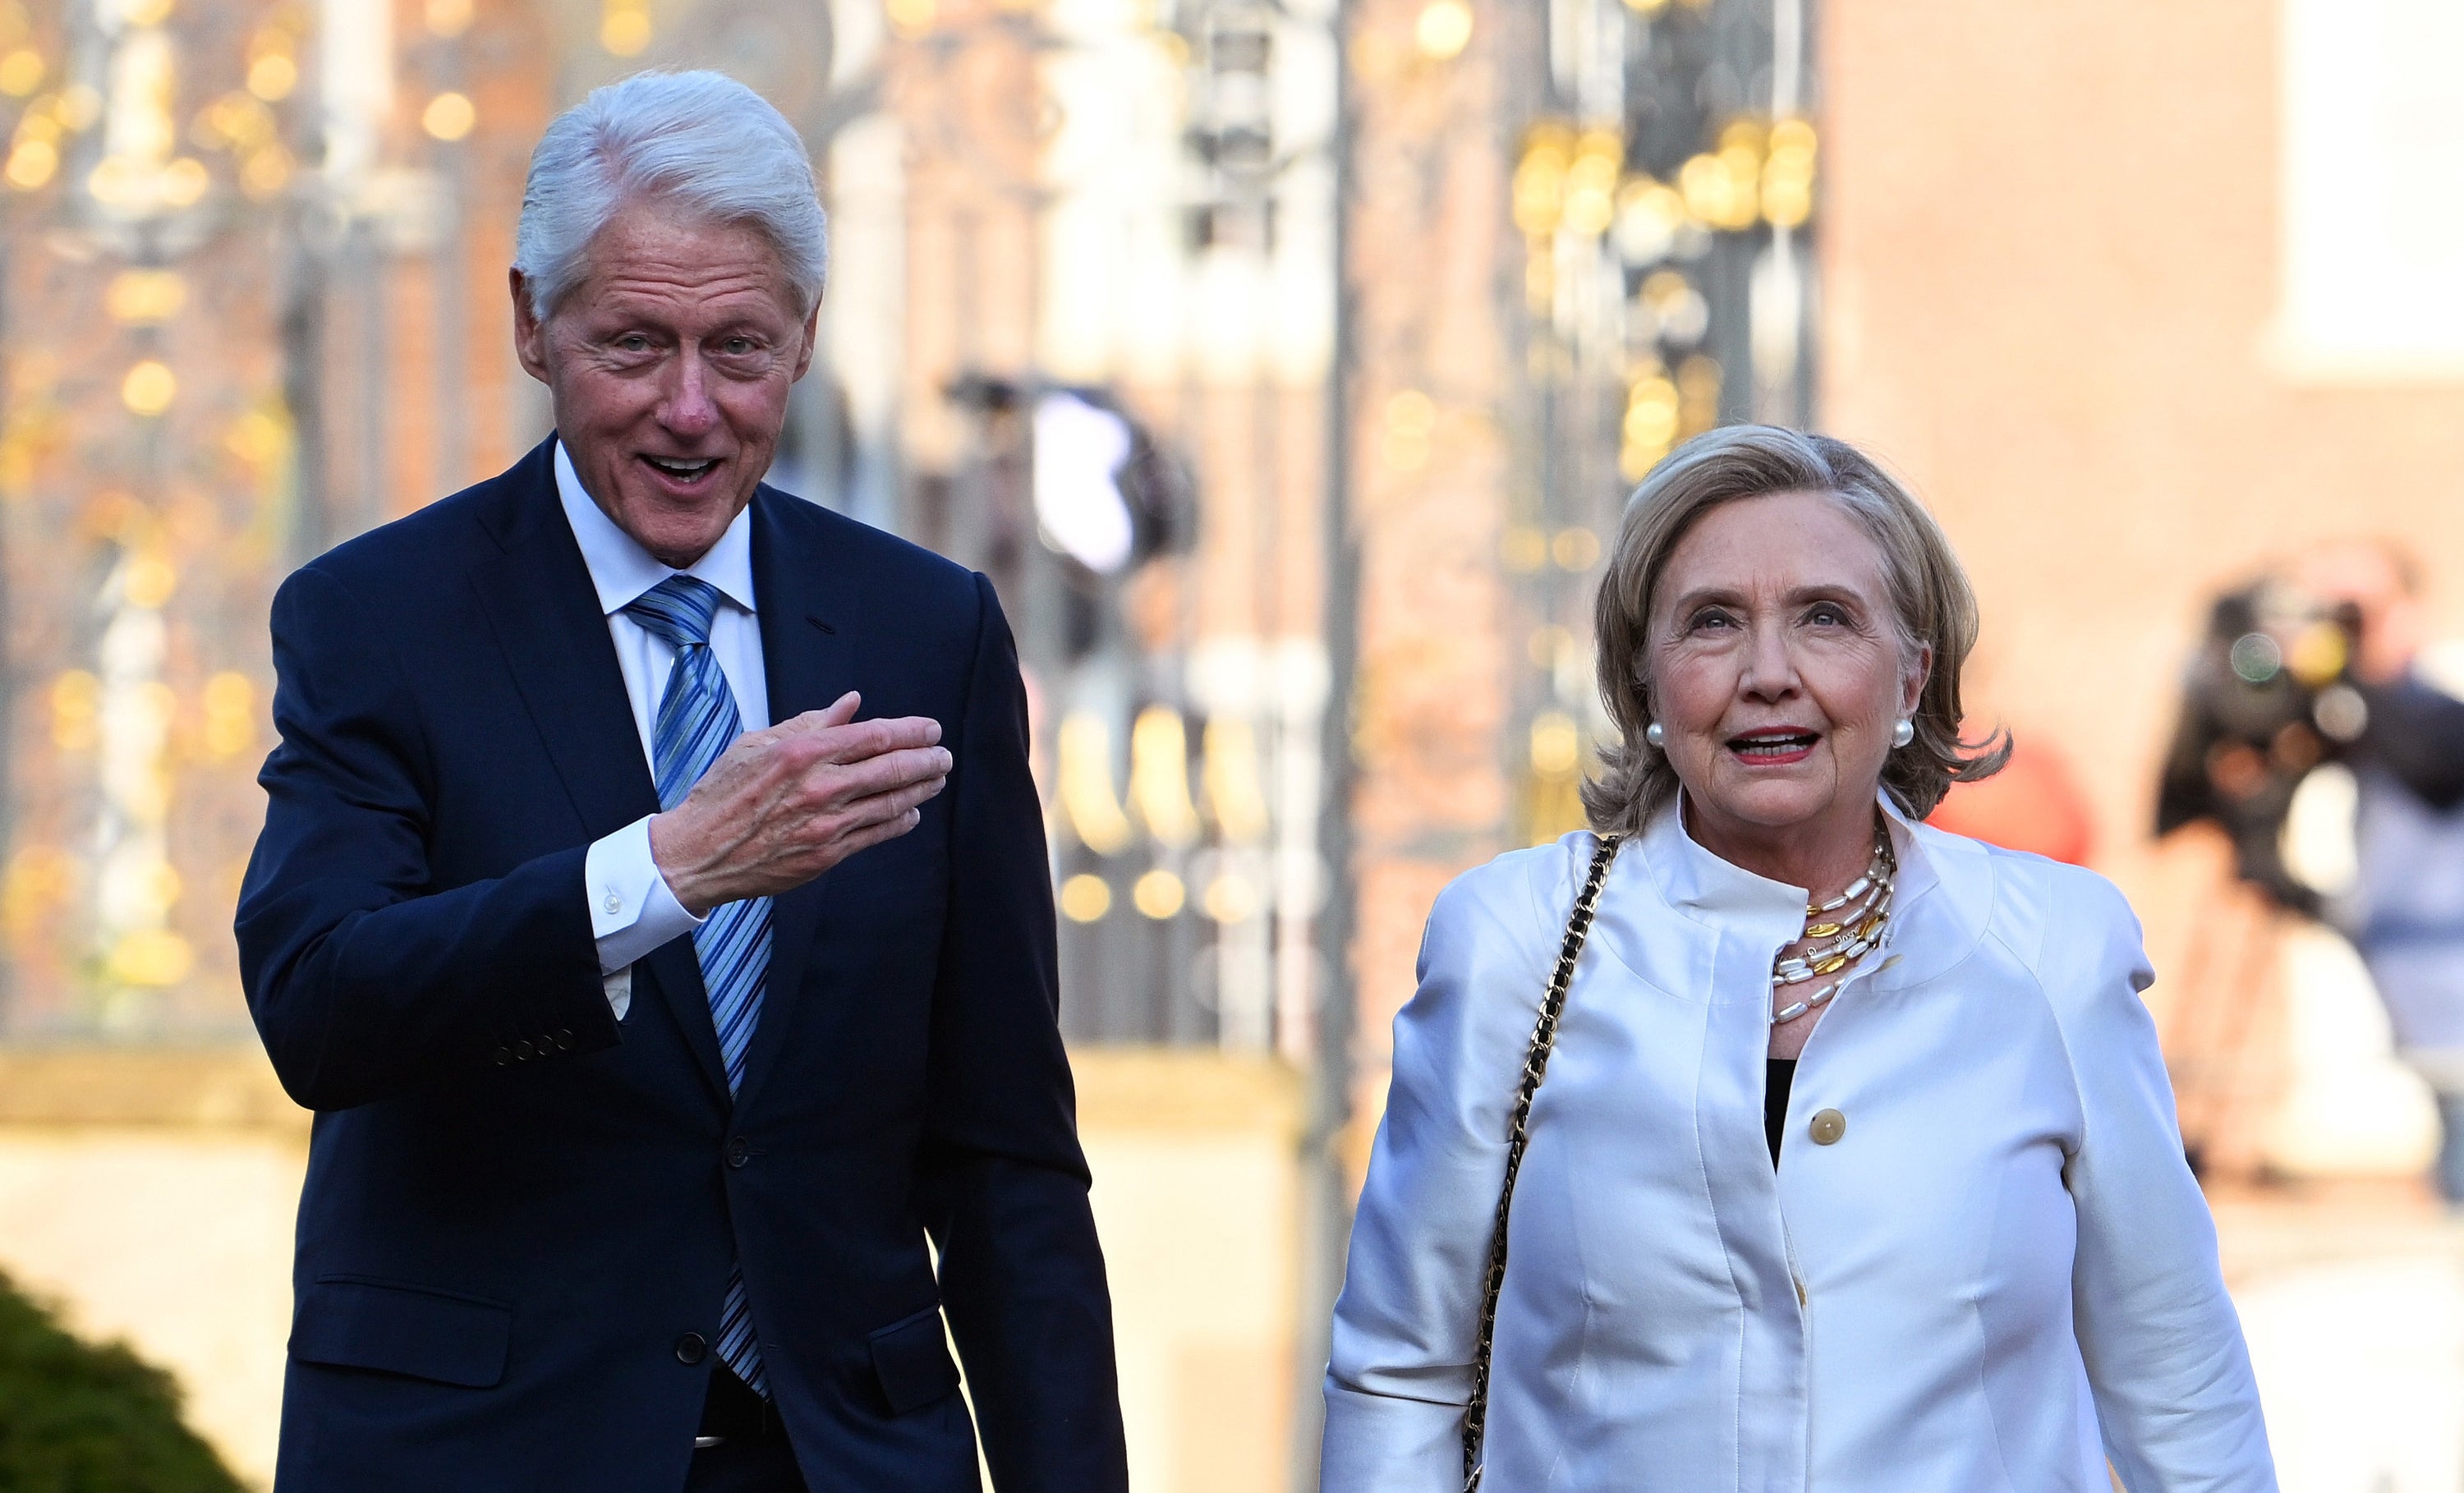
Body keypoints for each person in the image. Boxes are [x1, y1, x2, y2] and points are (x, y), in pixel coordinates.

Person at [235, 72, 1128, 1493]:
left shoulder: (926, 630)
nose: (693, 409)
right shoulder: (379, 617)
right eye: (636, 344)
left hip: (841, 1453)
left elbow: (1006, 1148)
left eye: (742, 347)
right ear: (534, 321)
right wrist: (662, 873)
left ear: (808, 342)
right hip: (486, 1449)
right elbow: (321, 1008)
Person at [1320, 426, 2276, 1491]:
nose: (1768, 673)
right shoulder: (1513, 940)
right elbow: (1401, 1370)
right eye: (1713, 622)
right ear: (1644, 681)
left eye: (1826, 617)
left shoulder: (2052, 949)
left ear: (1914, 671)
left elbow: (2178, 1380)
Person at [2299, 540, 2464, 1201]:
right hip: (2416, 1007)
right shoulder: (2351, 713)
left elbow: (2435, 767)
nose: (2336, 628)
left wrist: (2346, 672)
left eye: (2354, 611)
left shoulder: (2432, 713)